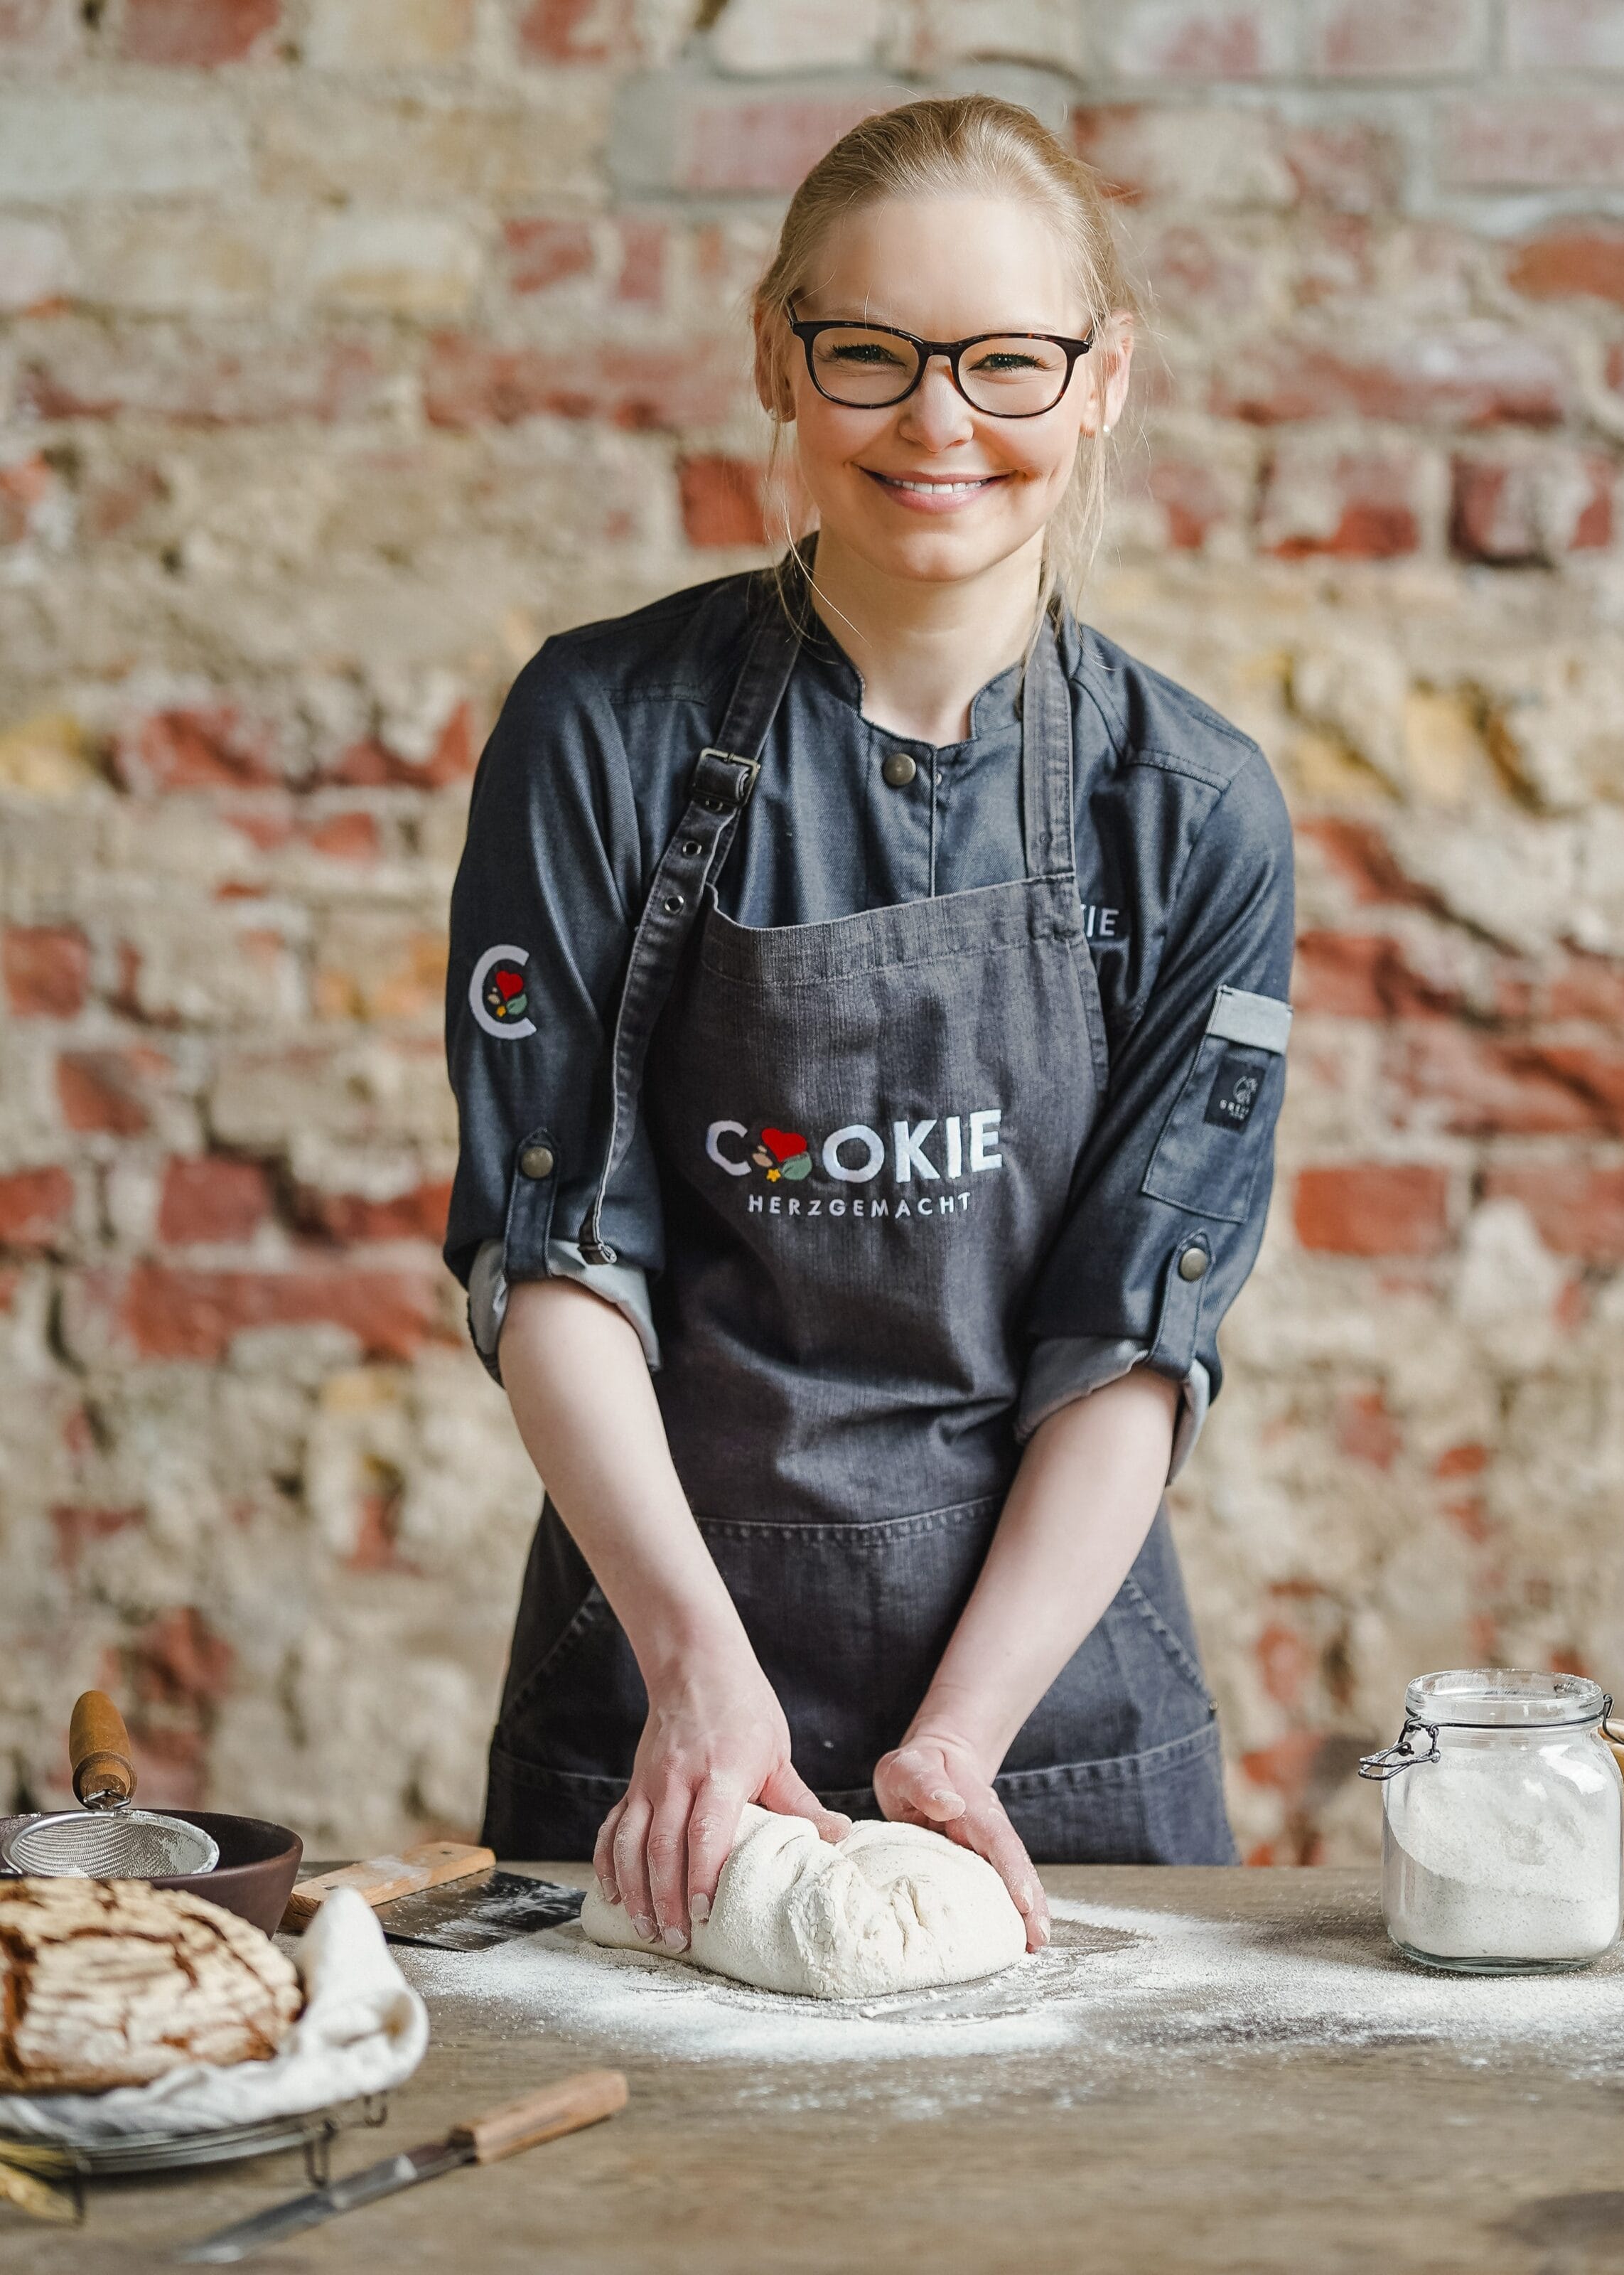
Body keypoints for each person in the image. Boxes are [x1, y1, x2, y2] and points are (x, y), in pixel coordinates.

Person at [443, 95, 1294, 1959]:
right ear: (779, 356)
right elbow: (556, 1250)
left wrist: (957, 1744)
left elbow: (1131, 1341)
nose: (938, 421)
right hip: (659, 1696)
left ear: (1103, 381)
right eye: (872, 354)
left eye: (1006, 361)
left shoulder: (1195, 809)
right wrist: (698, 1668)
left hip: (1055, 1732)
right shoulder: (598, 735)